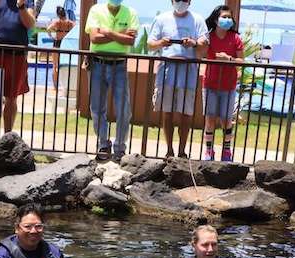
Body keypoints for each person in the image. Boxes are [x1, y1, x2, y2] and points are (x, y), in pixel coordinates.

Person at [148, 0, 209, 158]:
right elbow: (150, 44)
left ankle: (182, 151)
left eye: (184, 0)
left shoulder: (198, 19)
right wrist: (162, 42)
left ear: (189, 2)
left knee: (186, 113)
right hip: (167, 70)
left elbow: (205, 43)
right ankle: (169, 150)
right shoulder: (161, 19)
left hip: (188, 70)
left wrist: (194, 43)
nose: (180, 2)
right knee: (167, 111)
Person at [85, 0, 139, 160]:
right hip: (97, 64)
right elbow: (94, 38)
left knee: (124, 110)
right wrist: (120, 34)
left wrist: (108, 32)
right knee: (96, 108)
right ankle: (103, 144)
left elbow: (130, 41)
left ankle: (120, 148)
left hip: (120, 66)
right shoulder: (95, 10)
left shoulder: (131, 13)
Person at [0, 0, 36, 146]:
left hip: (18, 55)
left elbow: (30, 24)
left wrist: (21, 6)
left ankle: (7, 139)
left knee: (12, 98)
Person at [202, 5, 242, 162]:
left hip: (228, 85)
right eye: (223, 17)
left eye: (229, 17)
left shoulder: (236, 38)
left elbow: (241, 60)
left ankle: (226, 151)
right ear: (215, 19)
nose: (227, 20)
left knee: (226, 120)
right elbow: (200, 52)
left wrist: (229, 59)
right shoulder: (208, 37)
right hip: (210, 84)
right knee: (210, 119)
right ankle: (209, 150)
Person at [47, 6, 75, 91]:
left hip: (57, 43)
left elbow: (48, 29)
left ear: (57, 14)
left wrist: (52, 36)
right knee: (66, 65)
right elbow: (76, 29)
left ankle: (55, 87)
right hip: (66, 44)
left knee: (55, 66)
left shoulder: (57, 22)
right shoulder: (70, 23)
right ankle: (66, 85)